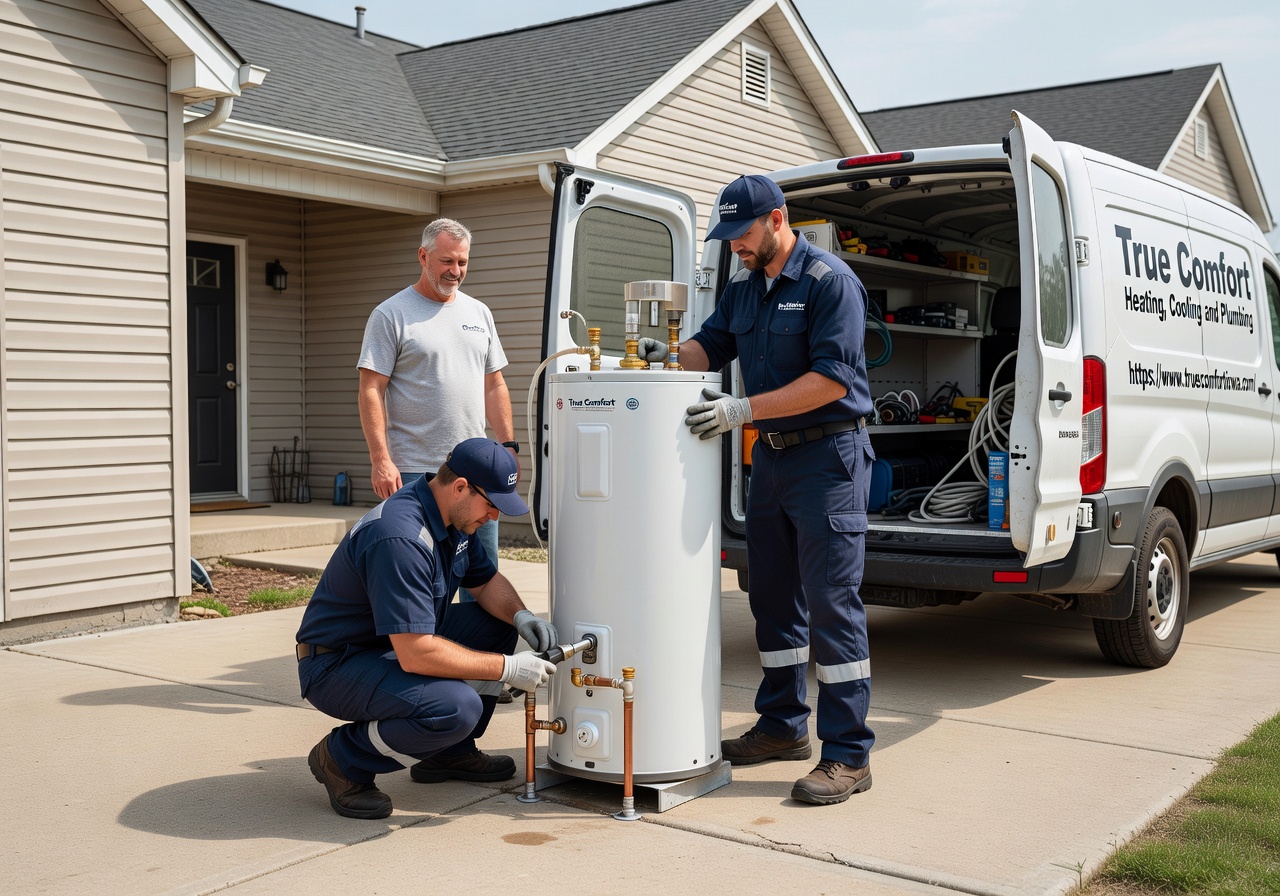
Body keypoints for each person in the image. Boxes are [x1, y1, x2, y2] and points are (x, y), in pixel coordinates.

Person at [641, 174, 876, 805]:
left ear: (776, 219)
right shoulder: (746, 287)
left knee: (832, 604)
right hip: (770, 463)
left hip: (829, 459)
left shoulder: (830, 284)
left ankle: (849, 755)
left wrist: (741, 411)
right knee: (772, 599)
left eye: (741, 235)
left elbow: (831, 380)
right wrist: (661, 357)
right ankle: (781, 726)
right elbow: (709, 346)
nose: (734, 247)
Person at [295, 438, 558, 819]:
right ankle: (341, 759)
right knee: (455, 708)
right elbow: (416, 652)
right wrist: (508, 668)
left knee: (495, 625)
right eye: (492, 504)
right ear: (461, 486)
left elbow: (483, 582)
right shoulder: (401, 537)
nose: (495, 517)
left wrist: (521, 615)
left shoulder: (453, 518)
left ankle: (449, 754)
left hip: (387, 643)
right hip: (337, 664)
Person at [357, 218, 519, 606]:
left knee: (481, 574)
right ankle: (422, 655)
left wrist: (508, 445)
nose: (456, 271)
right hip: (417, 471)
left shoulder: (479, 313)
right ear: (423, 256)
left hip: (477, 472)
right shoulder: (391, 314)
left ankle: (477, 658)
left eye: (463, 262)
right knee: (421, 574)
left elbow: (494, 384)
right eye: (447, 261)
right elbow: (370, 388)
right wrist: (381, 460)